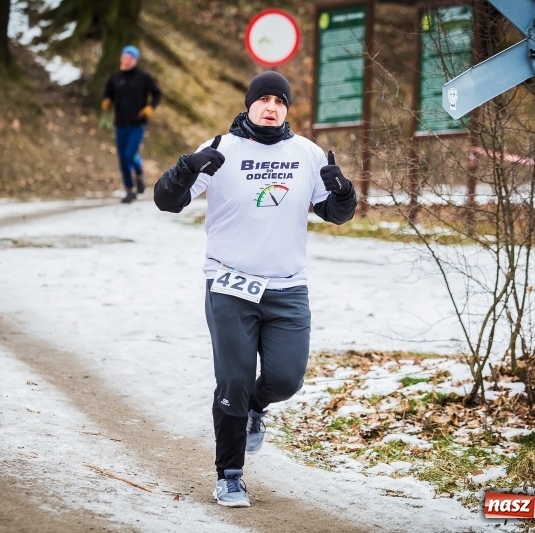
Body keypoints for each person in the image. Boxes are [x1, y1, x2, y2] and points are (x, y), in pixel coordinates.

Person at [153, 71, 357, 507]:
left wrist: (344, 192)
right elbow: (167, 201)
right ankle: (229, 474)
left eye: (279, 101)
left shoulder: (306, 153)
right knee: (234, 379)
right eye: (263, 99)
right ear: (248, 105)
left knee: (286, 379)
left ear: (287, 109)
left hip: (287, 287)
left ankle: (255, 409)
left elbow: (336, 214)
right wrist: (186, 167)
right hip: (229, 283)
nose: (271, 107)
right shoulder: (221, 149)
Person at [102, 45, 161, 203]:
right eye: (124, 58)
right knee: (122, 158)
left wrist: (150, 107)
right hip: (120, 123)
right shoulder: (115, 78)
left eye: (129, 59)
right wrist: (107, 101)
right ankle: (129, 190)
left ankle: (139, 174)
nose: (126, 62)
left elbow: (157, 94)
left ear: (135, 60)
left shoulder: (143, 78)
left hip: (137, 123)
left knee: (130, 155)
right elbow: (108, 94)